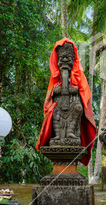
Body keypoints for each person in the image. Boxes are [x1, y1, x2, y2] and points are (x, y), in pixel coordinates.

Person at [35, 37, 96, 166]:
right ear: (57, 60)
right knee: (54, 112)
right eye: (62, 58)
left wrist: (71, 89)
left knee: (78, 108)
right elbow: (51, 94)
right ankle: (57, 135)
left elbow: (83, 92)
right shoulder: (56, 79)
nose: (65, 61)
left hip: (73, 104)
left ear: (73, 59)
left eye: (68, 58)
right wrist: (58, 90)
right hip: (59, 104)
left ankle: (70, 132)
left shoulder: (78, 76)